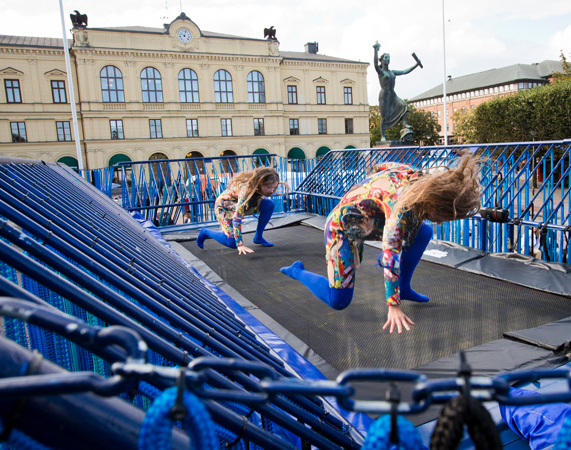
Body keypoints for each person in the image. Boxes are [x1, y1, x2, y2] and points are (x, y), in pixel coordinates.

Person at [280, 157, 482, 334]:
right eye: (441, 217)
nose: (440, 222)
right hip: (342, 227)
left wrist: (370, 194)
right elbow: (390, 256)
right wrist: (393, 306)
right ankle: (297, 271)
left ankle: (403, 288)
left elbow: (382, 166)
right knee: (338, 301)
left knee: (424, 230)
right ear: (432, 204)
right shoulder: (400, 211)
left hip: (370, 219)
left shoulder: (421, 180)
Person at [196, 166, 279, 255]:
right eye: (269, 187)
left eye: (274, 187)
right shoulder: (246, 191)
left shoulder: (259, 188)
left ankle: (258, 237)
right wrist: (240, 244)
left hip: (241, 204)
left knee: (269, 204)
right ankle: (205, 231)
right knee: (232, 243)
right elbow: (237, 218)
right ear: (260, 183)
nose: (272, 191)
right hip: (225, 206)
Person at [373, 41, 422, 142]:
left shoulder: (392, 72)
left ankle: (404, 123)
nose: (388, 59)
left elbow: (405, 71)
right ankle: (383, 136)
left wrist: (416, 65)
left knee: (404, 106)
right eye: (386, 58)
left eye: (389, 58)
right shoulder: (381, 72)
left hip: (392, 95)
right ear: (382, 60)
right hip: (384, 96)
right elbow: (375, 65)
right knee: (384, 117)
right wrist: (375, 50)